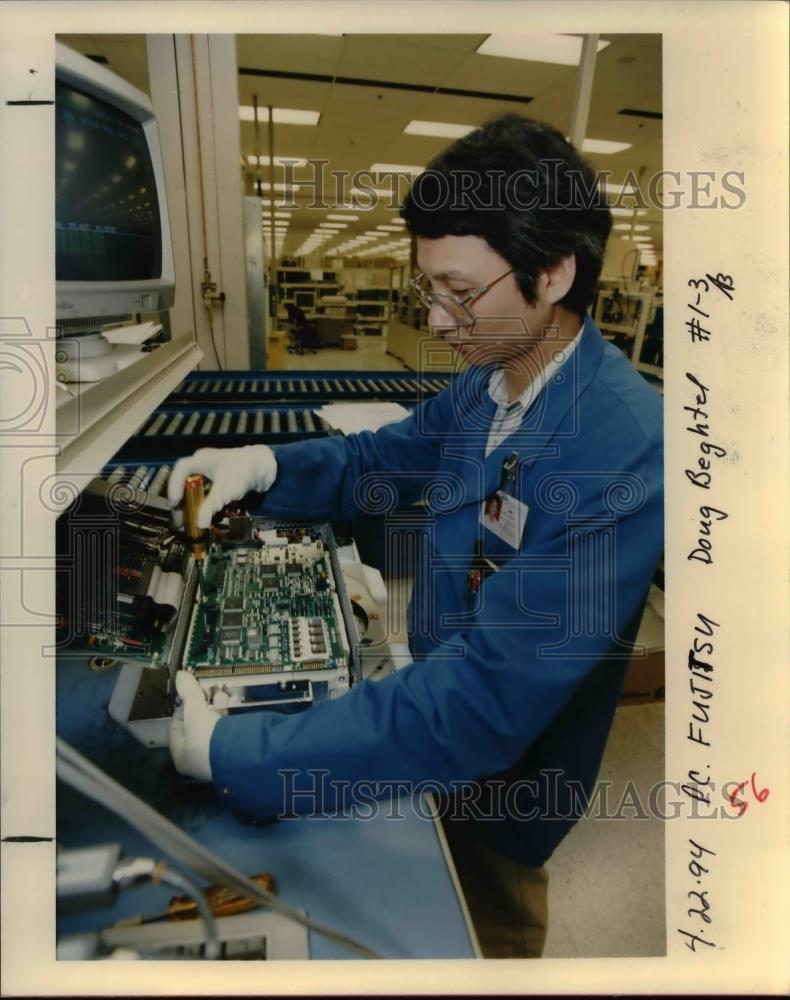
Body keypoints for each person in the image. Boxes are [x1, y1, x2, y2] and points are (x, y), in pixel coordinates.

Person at [167, 114, 663, 959]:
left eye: (458, 291)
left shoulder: (623, 448)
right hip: (431, 725)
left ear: (553, 274)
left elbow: (485, 705)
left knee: (476, 937)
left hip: (505, 791)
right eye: (426, 287)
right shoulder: (488, 385)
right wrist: (266, 467)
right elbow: (385, 462)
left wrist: (242, 752)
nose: (436, 320)